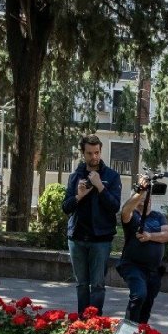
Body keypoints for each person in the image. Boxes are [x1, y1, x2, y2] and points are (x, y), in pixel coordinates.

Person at [61, 135, 122, 317]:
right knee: (81, 284)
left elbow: (114, 206)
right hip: (77, 237)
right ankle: (82, 320)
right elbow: (66, 207)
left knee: (97, 284)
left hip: (100, 239)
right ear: (83, 153)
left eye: (97, 152)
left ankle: (95, 322)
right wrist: (79, 196)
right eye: (89, 153)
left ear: (100, 151)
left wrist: (100, 187)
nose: (94, 157)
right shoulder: (75, 177)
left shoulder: (111, 176)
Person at [116, 174, 168, 325]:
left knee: (147, 303)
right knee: (139, 295)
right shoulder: (132, 216)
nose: (144, 202)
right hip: (133, 266)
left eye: (147, 198)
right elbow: (125, 211)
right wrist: (140, 190)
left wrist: (149, 236)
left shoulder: (158, 217)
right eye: (141, 200)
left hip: (154, 270)